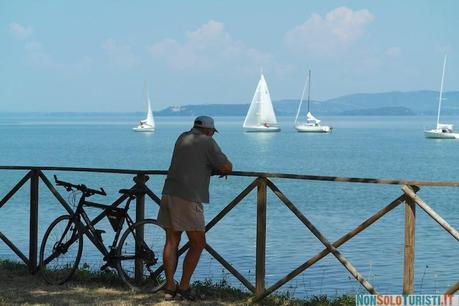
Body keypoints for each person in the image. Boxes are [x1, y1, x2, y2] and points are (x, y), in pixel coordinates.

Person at [157, 115, 232, 301]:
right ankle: (183, 286)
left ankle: (169, 287)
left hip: (169, 193)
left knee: (171, 241)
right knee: (198, 243)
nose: (212, 135)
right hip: (188, 198)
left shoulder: (182, 137)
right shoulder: (207, 142)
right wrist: (219, 169)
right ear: (208, 130)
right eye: (213, 132)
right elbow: (226, 166)